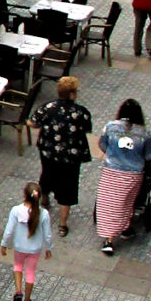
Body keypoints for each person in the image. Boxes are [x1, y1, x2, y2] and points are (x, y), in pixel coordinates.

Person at [31, 76, 92, 238]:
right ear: (72, 93)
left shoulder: (48, 107)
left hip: (49, 152)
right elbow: (87, 128)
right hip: (71, 158)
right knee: (68, 187)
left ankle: (44, 198)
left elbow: (33, 122)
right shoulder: (81, 112)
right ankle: (62, 224)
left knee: (47, 175)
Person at [95, 99, 151, 256]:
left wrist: (113, 154)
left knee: (110, 204)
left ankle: (109, 239)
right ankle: (123, 229)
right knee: (127, 202)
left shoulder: (110, 127)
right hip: (133, 174)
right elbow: (149, 155)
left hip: (112, 171)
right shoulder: (144, 133)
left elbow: (102, 144)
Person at [1, 182, 54, 301]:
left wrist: (4, 244)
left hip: (19, 246)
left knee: (18, 266)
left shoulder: (16, 210)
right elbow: (47, 234)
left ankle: (18, 291)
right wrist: (49, 248)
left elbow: (9, 230)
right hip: (34, 249)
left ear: (24, 194)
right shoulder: (44, 214)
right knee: (30, 272)